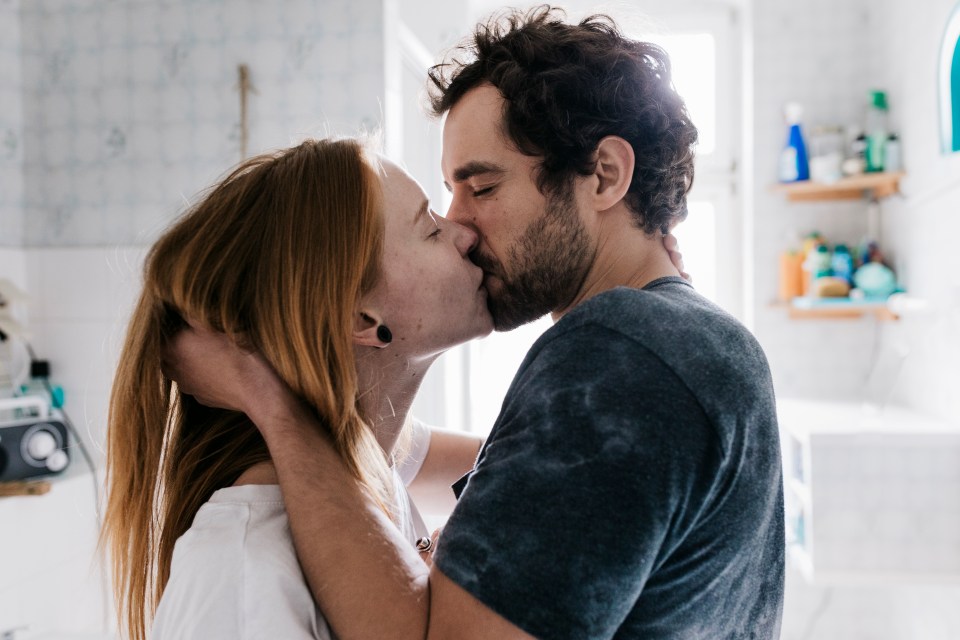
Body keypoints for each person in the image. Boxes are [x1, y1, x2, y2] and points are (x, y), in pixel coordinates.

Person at [166, 6, 784, 639]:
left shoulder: (619, 351)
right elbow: (475, 468)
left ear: (604, 175)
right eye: (443, 202)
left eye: (482, 188)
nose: (460, 224)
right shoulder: (691, 339)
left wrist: (270, 400)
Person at [100, 138, 497, 640]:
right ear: (361, 316)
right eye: (430, 228)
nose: (463, 233)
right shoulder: (244, 573)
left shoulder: (367, 447)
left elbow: (513, 469)